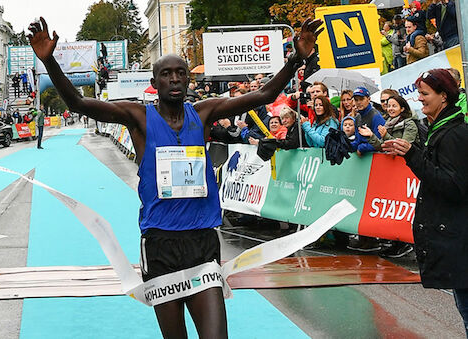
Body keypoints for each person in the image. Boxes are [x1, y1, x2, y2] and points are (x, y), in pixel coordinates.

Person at [27, 16, 322, 338]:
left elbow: (264, 95)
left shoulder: (205, 112)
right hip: (160, 244)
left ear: (187, 81)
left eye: (181, 73)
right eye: (167, 74)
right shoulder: (137, 117)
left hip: (203, 241)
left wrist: (296, 59)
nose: (175, 79)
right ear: (156, 82)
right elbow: (79, 102)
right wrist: (50, 61)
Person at [382, 68, 468, 334]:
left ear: (444, 96)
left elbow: (452, 186)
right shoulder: (440, 128)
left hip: (459, 237)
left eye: (424, 93)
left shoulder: (454, 134)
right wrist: (412, 154)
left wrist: (413, 155)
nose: (418, 98)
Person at [350, 87, 386, 155]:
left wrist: (362, 148)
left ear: (369, 99)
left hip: (377, 158)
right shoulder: (357, 117)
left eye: (361, 99)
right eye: (356, 100)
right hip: (364, 160)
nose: (359, 102)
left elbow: (381, 143)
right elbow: (358, 140)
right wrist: (347, 146)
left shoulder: (376, 116)